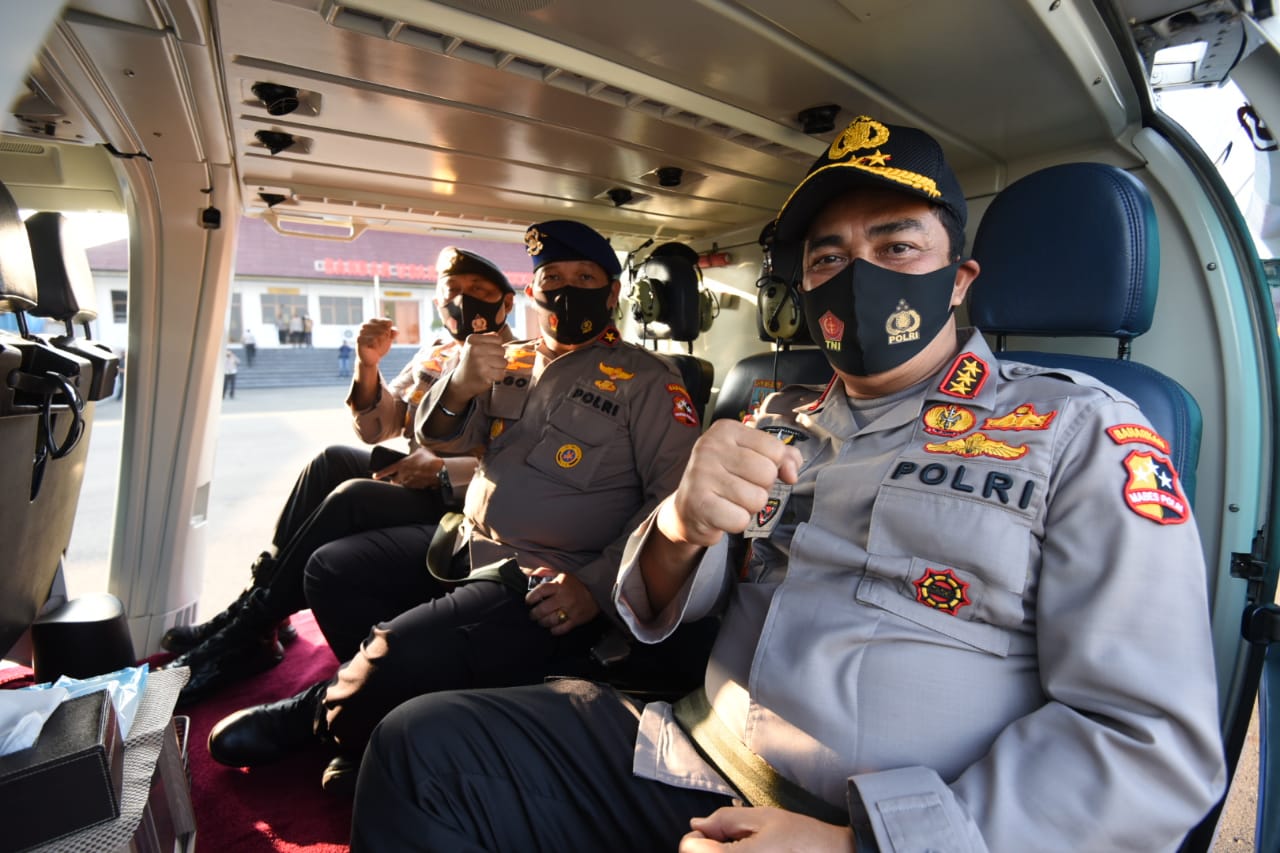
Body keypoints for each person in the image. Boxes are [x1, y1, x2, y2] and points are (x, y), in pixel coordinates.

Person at [350, 116, 1228, 852]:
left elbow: (1150, 745)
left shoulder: (1082, 431)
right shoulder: (773, 418)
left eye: (896, 244)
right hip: (694, 752)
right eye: (828, 257)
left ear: (959, 280)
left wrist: (859, 845)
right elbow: (658, 609)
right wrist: (678, 525)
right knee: (421, 748)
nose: (859, 274)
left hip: (883, 828)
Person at [204, 220, 708, 796]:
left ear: (613, 292)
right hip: (467, 540)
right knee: (331, 569)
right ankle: (381, 716)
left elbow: (673, 502)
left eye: (585, 278)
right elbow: (440, 438)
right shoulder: (509, 359)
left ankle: (323, 713)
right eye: (552, 278)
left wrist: (594, 586)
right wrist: (461, 385)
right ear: (534, 291)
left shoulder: (650, 381)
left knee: (397, 646)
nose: (567, 290)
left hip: (544, 574)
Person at [163, 247, 518, 704]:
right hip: (417, 476)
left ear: (506, 303)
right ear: (437, 302)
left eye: (479, 290)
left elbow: (523, 456)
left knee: (353, 495)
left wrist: (445, 470)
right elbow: (379, 428)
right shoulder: (438, 352)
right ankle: (260, 607)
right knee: (331, 460)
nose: (464, 300)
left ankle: (251, 626)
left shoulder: (522, 361)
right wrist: (367, 364)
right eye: (453, 291)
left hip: (466, 499)